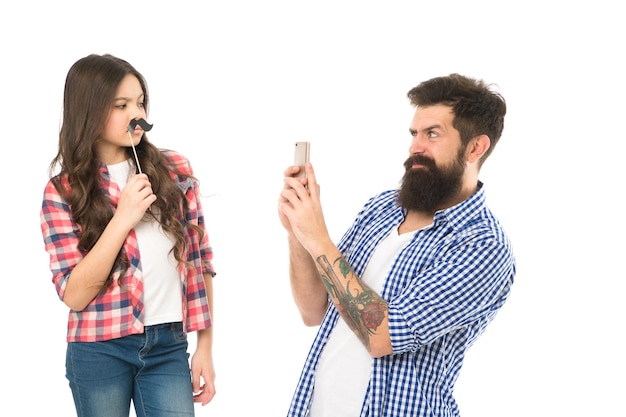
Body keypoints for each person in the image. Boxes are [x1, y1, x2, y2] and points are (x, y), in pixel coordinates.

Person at [278, 73, 515, 417]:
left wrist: (316, 236)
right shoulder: (382, 208)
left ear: (475, 147)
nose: (415, 146)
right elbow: (314, 310)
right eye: (414, 134)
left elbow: (382, 336)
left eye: (433, 134)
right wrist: (297, 233)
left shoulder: (482, 247)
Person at [40, 54, 216, 417]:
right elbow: (74, 295)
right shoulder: (63, 191)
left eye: (140, 102)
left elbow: (201, 261)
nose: (136, 113)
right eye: (121, 105)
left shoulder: (175, 169)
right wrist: (122, 219)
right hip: (98, 349)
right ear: (89, 110)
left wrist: (205, 347)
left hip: (168, 344)